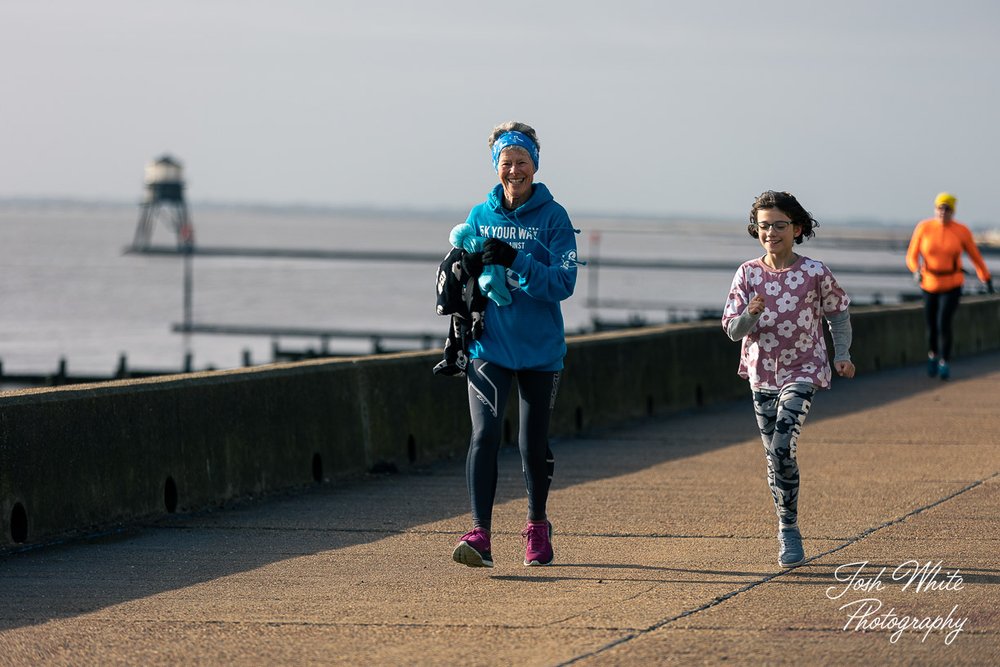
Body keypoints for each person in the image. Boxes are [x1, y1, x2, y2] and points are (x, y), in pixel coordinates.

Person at [449, 121, 579, 568]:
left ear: (535, 164)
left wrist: (514, 257)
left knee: (532, 443)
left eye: (522, 161)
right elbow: (465, 274)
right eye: (506, 162)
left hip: (541, 351)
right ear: (496, 167)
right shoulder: (480, 214)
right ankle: (480, 535)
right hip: (490, 347)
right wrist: (464, 267)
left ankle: (537, 527)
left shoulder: (554, 217)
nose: (514, 170)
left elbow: (564, 283)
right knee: (484, 435)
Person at [722, 191, 855, 567]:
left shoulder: (814, 272)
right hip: (761, 374)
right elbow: (733, 330)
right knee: (774, 458)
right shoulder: (747, 273)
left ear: (796, 229)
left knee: (782, 445)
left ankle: (789, 533)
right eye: (764, 226)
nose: (771, 233)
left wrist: (842, 355)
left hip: (805, 369)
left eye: (779, 226)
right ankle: (787, 523)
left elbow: (838, 314)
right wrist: (750, 314)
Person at [905, 192, 993, 380]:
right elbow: (912, 255)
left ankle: (944, 362)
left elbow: (975, 256)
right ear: (935, 209)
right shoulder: (924, 228)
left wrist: (985, 277)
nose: (943, 212)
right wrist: (916, 270)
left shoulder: (961, 230)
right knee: (931, 325)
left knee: (943, 322)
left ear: (953, 211)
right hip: (929, 283)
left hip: (952, 284)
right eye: (940, 208)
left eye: (947, 209)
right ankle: (933, 355)